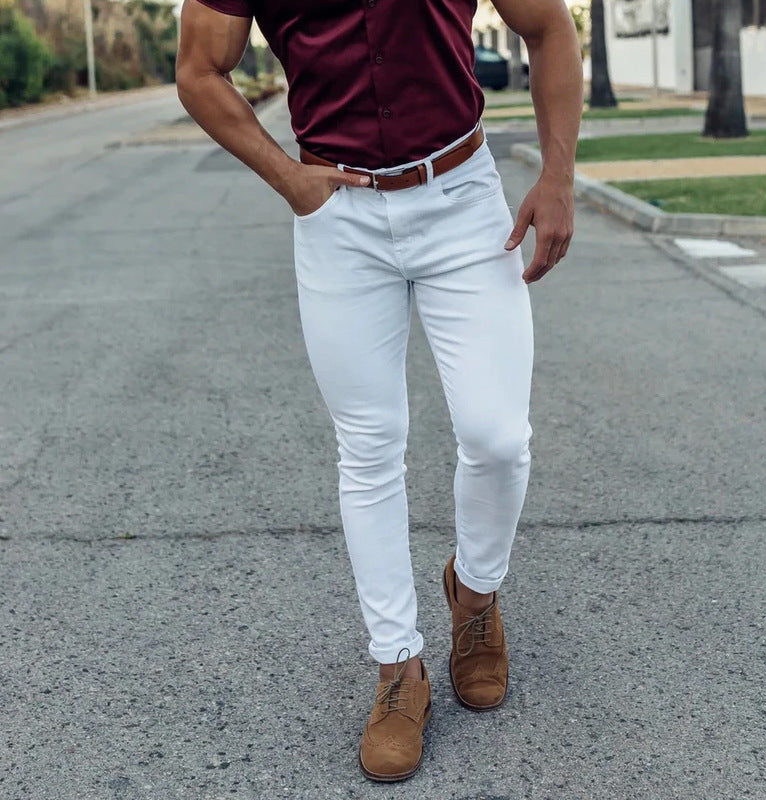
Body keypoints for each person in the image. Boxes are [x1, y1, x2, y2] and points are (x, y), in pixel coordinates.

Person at [176, 0, 582, 782]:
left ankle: (475, 594)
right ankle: (399, 666)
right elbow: (199, 70)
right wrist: (290, 181)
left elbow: (548, 26)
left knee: (498, 436)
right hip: (338, 216)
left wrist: (558, 173)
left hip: (460, 199)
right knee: (367, 447)